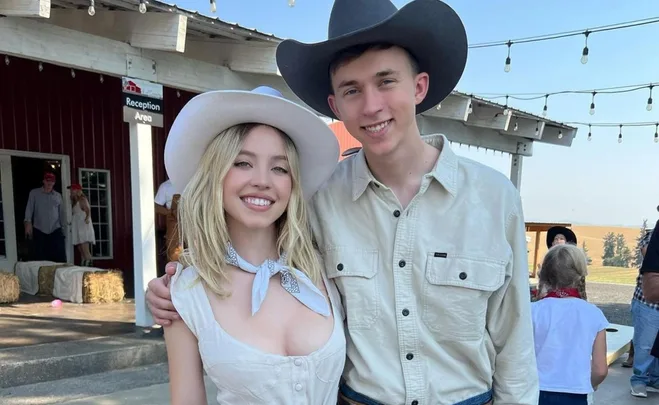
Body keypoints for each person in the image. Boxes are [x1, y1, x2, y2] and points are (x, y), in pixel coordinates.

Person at [147, 1, 539, 404]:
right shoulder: (318, 199)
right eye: (352, 90)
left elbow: (516, 345)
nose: (371, 106)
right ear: (335, 105)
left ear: (418, 86)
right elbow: (254, 249)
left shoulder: (494, 198)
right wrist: (172, 288)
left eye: (386, 81)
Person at [161, 85, 345, 405]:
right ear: (216, 173)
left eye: (279, 167)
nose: (262, 180)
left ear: (293, 184)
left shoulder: (328, 270)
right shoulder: (184, 292)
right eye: (243, 163)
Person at [532, 244, 609, 405]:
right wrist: (591, 384)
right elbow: (600, 370)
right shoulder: (593, 314)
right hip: (576, 394)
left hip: (535, 391)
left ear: (545, 273)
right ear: (580, 274)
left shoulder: (533, 311)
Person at [630, 217, 659, 398]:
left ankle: (655, 379)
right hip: (647, 304)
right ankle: (639, 380)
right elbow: (648, 253)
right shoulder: (651, 237)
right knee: (645, 345)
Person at [24, 172, 67, 263]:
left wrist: (63, 228)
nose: (49, 184)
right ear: (43, 181)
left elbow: (62, 212)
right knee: (40, 256)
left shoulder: (58, 196)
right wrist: (28, 222)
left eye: (51, 182)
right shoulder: (34, 193)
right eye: (47, 181)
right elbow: (29, 208)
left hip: (55, 228)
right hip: (39, 228)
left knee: (58, 256)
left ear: (54, 183)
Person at [545, 226, 587, 300]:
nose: (558, 241)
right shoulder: (548, 260)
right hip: (551, 296)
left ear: (567, 242)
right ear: (552, 243)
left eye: (561, 239)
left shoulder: (573, 259)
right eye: (556, 239)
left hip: (572, 295)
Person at [154, 179, 182, 262]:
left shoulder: (193, 182)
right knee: (174, 249)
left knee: (195, 246)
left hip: (193, 220)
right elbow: (156, 206)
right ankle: (174, 271)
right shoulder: (166, 186)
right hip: (174, 220)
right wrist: (170, 212)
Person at [68, 183, 95, 266]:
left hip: (83, 227)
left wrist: (87, 218)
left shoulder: (82, 199)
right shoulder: (74, 202)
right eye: (71, 189)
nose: (71, 191)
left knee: (85, 249)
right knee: (80, 249)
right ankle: (83, 266)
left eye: (73, 189)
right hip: (78, 227)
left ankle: (89, 268)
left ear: (78, 191)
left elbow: (87, 210)